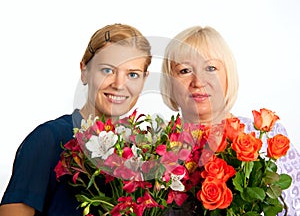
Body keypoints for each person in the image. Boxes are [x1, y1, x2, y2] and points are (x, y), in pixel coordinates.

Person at [0, 23, 152, 216]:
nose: (119, 84)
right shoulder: (49, 139)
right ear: (84, 70)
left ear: (144, 80)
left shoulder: (139, 152)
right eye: (107, 70)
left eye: (132, 74)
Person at [160, 25, 300, 215]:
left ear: (228, 76)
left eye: (211, 68)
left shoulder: (270, 138)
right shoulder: (157, 149)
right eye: (184, 70)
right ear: (169, 81)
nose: (198, 82)